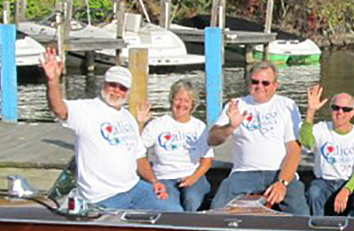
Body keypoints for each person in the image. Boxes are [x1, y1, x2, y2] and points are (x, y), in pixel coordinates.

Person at [42, 49, 171, 211]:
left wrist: (154, 181)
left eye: (122, 88)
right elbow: (59, 109)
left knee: (175, 214)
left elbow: (139, 157)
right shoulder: (87, 110)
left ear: (127, 92)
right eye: (112, 85)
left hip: (134, 188)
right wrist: (53, 81)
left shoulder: (128, 118)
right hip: (102, 197)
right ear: (103, 84)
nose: (116, 91)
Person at [207, 61, 309, 215]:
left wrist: (283, 182)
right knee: (217, 208)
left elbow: (294, 150)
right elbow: (212, 140)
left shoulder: (287, 105)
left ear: (275, 85)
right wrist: (230, 127)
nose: (259, 86)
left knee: (300, 213)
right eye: (255, 82)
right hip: (244, 173)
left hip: (279, 173)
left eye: (265, 83)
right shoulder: (237, 105)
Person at [136, 80, 214, 212]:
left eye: (186, 101)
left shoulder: (199, 127)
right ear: (171, 100)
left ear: (192, 105)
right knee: (172, 208)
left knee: (191, 200)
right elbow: (137, 149)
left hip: (192, 175)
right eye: (178, 99)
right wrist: (140, 124)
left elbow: (207, 160)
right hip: (163, 177)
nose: (181, 104)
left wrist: (192, 178)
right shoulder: (157, 124)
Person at [300, 85, 354, 217]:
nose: (340, 112)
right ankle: (317, 229)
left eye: (346, 109)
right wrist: (310, 111)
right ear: (331, 110)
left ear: (352, 113)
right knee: (314, 192)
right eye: (336, 108)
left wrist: (346, 190)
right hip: (324, 182)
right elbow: (305, 143)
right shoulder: (321, 129)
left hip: (348, 183)